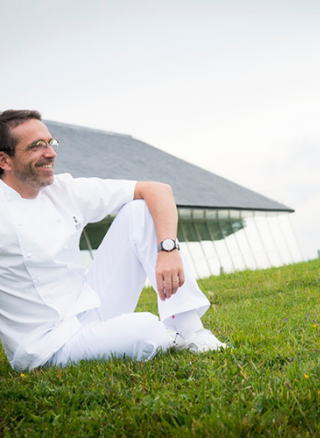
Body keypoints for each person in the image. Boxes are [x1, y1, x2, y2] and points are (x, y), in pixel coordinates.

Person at [0, 109, 226, 372]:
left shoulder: (63, 190)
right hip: (48, 346)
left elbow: (157, 189)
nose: (51, 153)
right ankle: (164, 336)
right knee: (147, 329)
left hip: (90, 309)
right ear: (4, 160)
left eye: (51, 143)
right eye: (36, 146)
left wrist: (168, 249)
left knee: (139, 210)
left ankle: (192, 331)